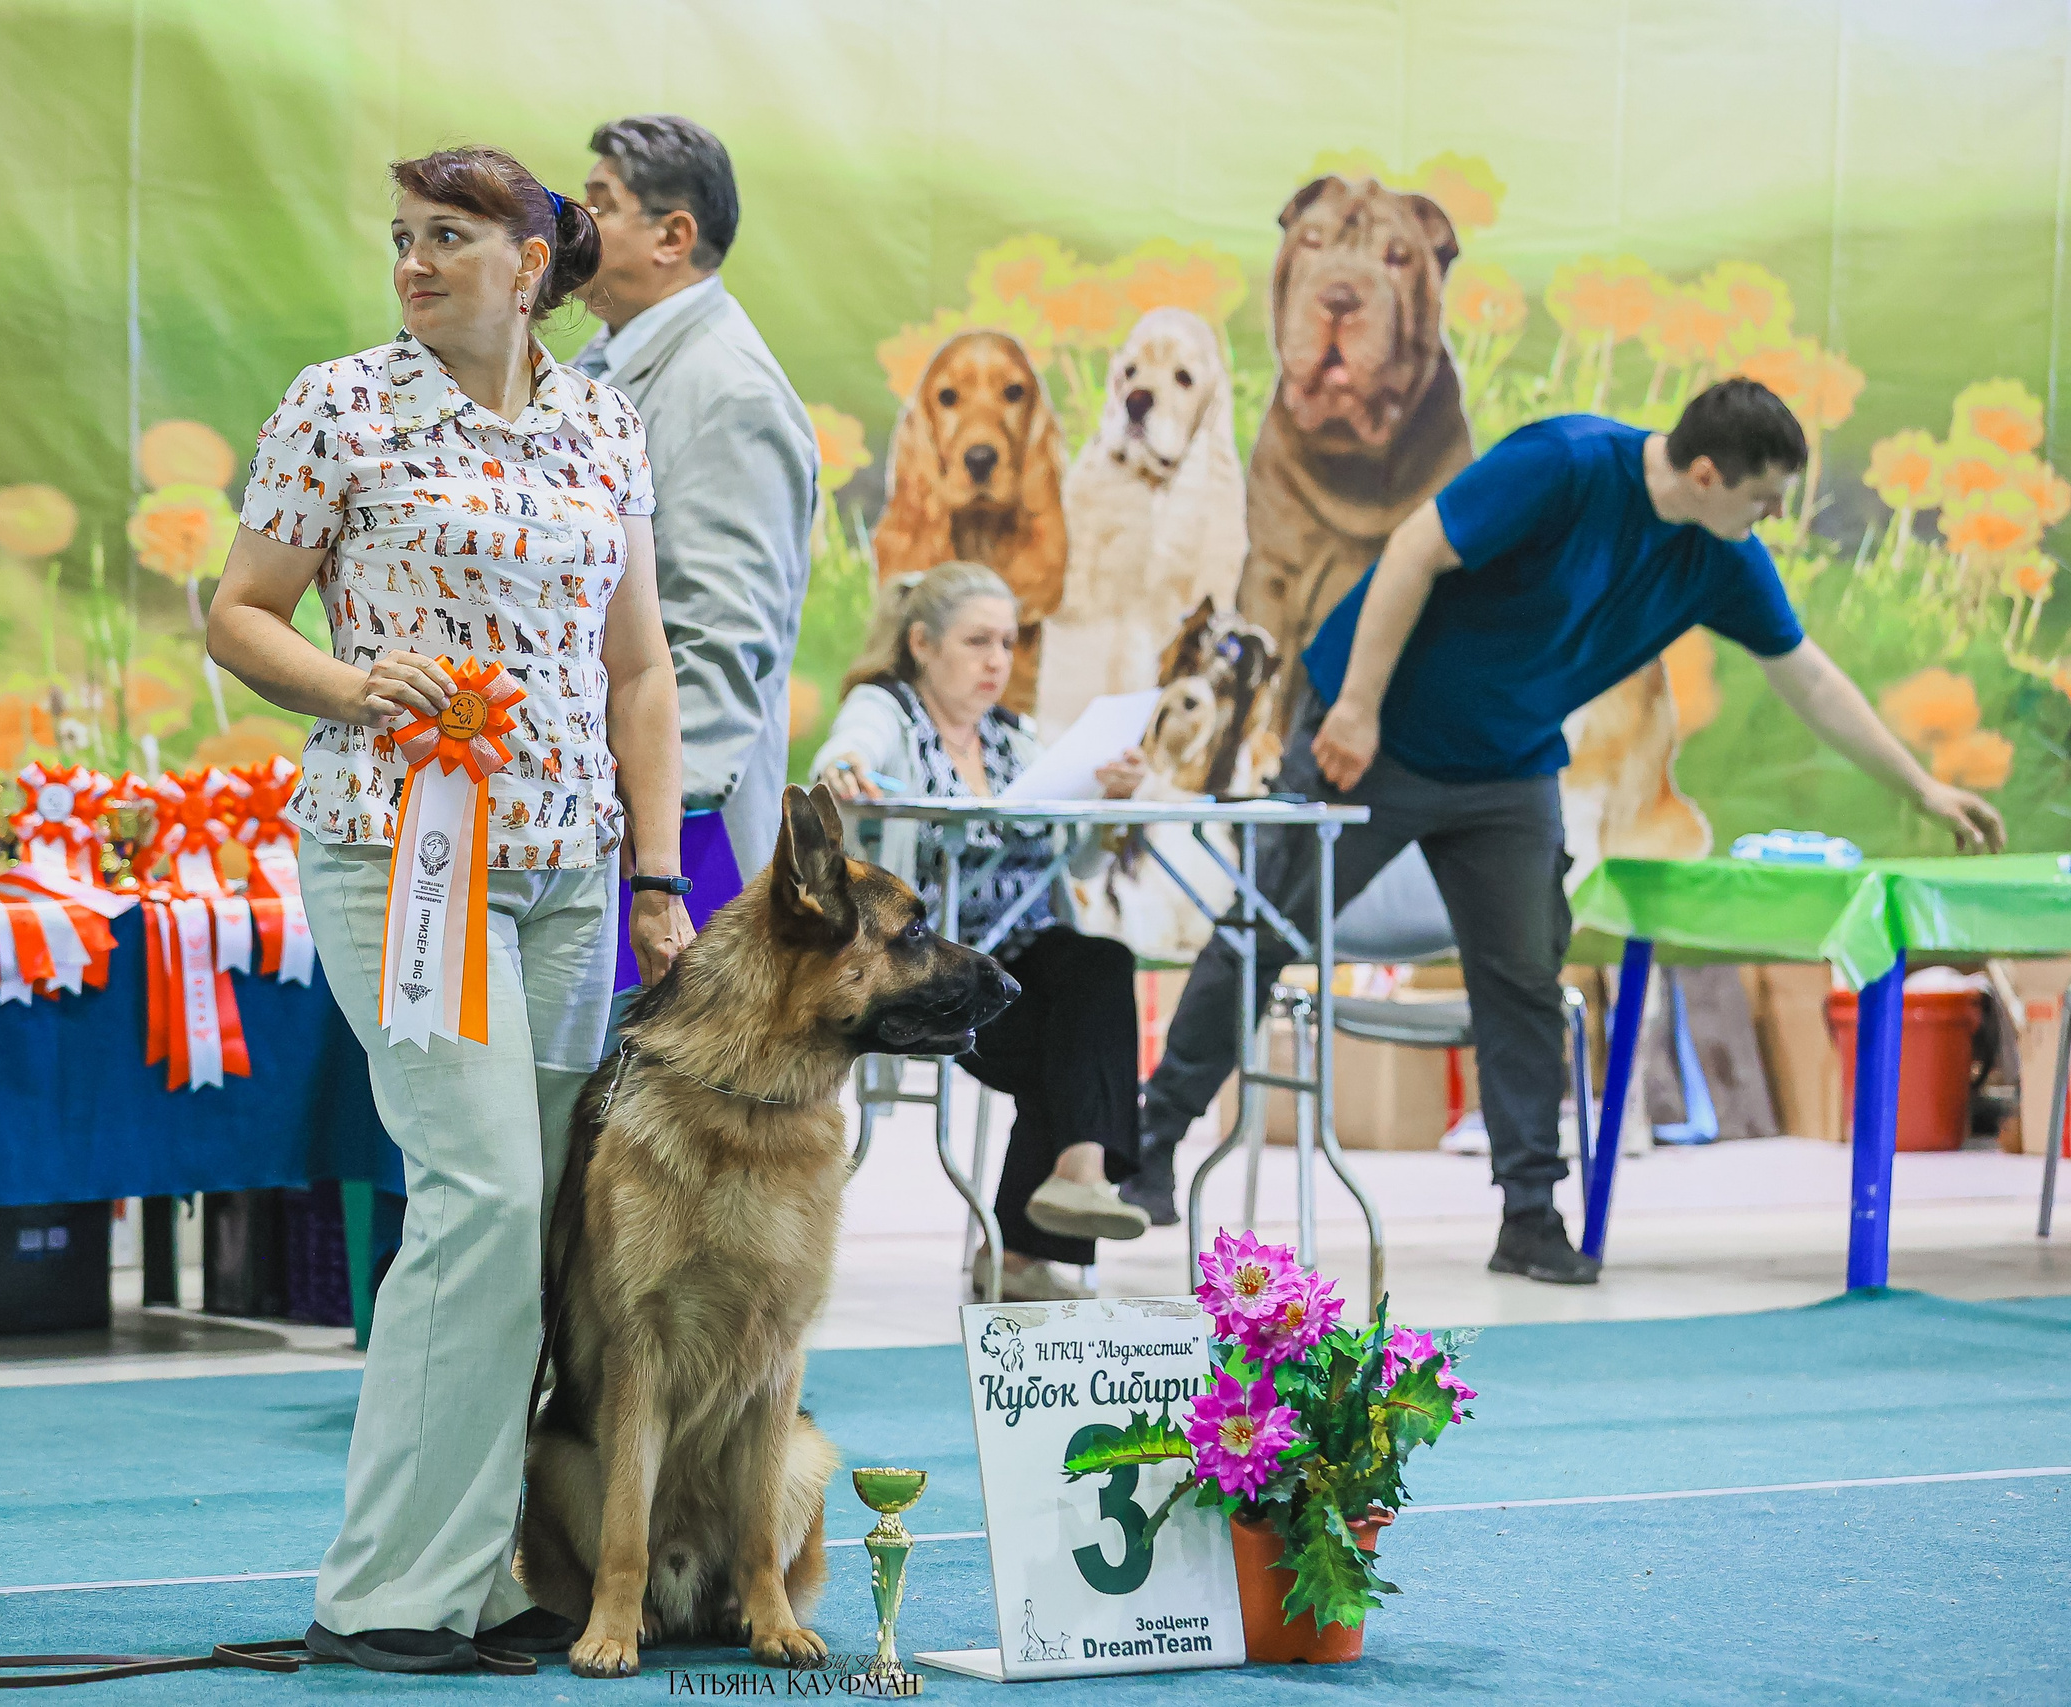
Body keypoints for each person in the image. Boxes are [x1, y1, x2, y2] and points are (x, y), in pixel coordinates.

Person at [1125, 379, 2007, 1284]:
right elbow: (1412, 551)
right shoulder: (1566, 465)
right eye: (1764, 498)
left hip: (1507, 766)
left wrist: (1922, 784)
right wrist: (1352, 708)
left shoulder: (1721, 553)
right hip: (1375, 737)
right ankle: (1145, 1153)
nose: (1774, 517)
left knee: (1522, 982)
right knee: (1263, 934)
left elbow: (1808, 676)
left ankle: (1529, 1218)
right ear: (1705, 474)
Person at [204, 145, 690, 1675]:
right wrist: (357, 686)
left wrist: (662, 878)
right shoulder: (337, 404)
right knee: (478, 1193)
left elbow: (641, 672)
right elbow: (235, 615)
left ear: (534, 261)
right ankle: (385, 1591)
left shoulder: (606, 419)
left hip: (568, 869)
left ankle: (479, 1572)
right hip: (395, 852)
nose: (413, 262)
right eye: (404, 238)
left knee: (532, 1217)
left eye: (450, 238)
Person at [812, 562, 1151, 1302]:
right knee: (1079, 1032)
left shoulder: (1016, 738)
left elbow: (1080, 856)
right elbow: (848, 748)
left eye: (1008, 641)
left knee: (1097, 964)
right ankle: (1038, 1233)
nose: (998, 659)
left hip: (1020, 964)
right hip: (925, 971)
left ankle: (1075, 1178)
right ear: (923, 643)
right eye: (978, 641)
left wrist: (1108, 800)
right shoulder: (891, 710)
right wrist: (845, 766)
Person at [573, 114, 816, 902]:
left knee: (644, 1029)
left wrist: (658, 857)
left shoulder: (730, 393)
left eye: (600, 205)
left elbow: (718, 640)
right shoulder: (605, 362)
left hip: (670, 851)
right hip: (599, 821)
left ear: (672, 236)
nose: (573, 226)